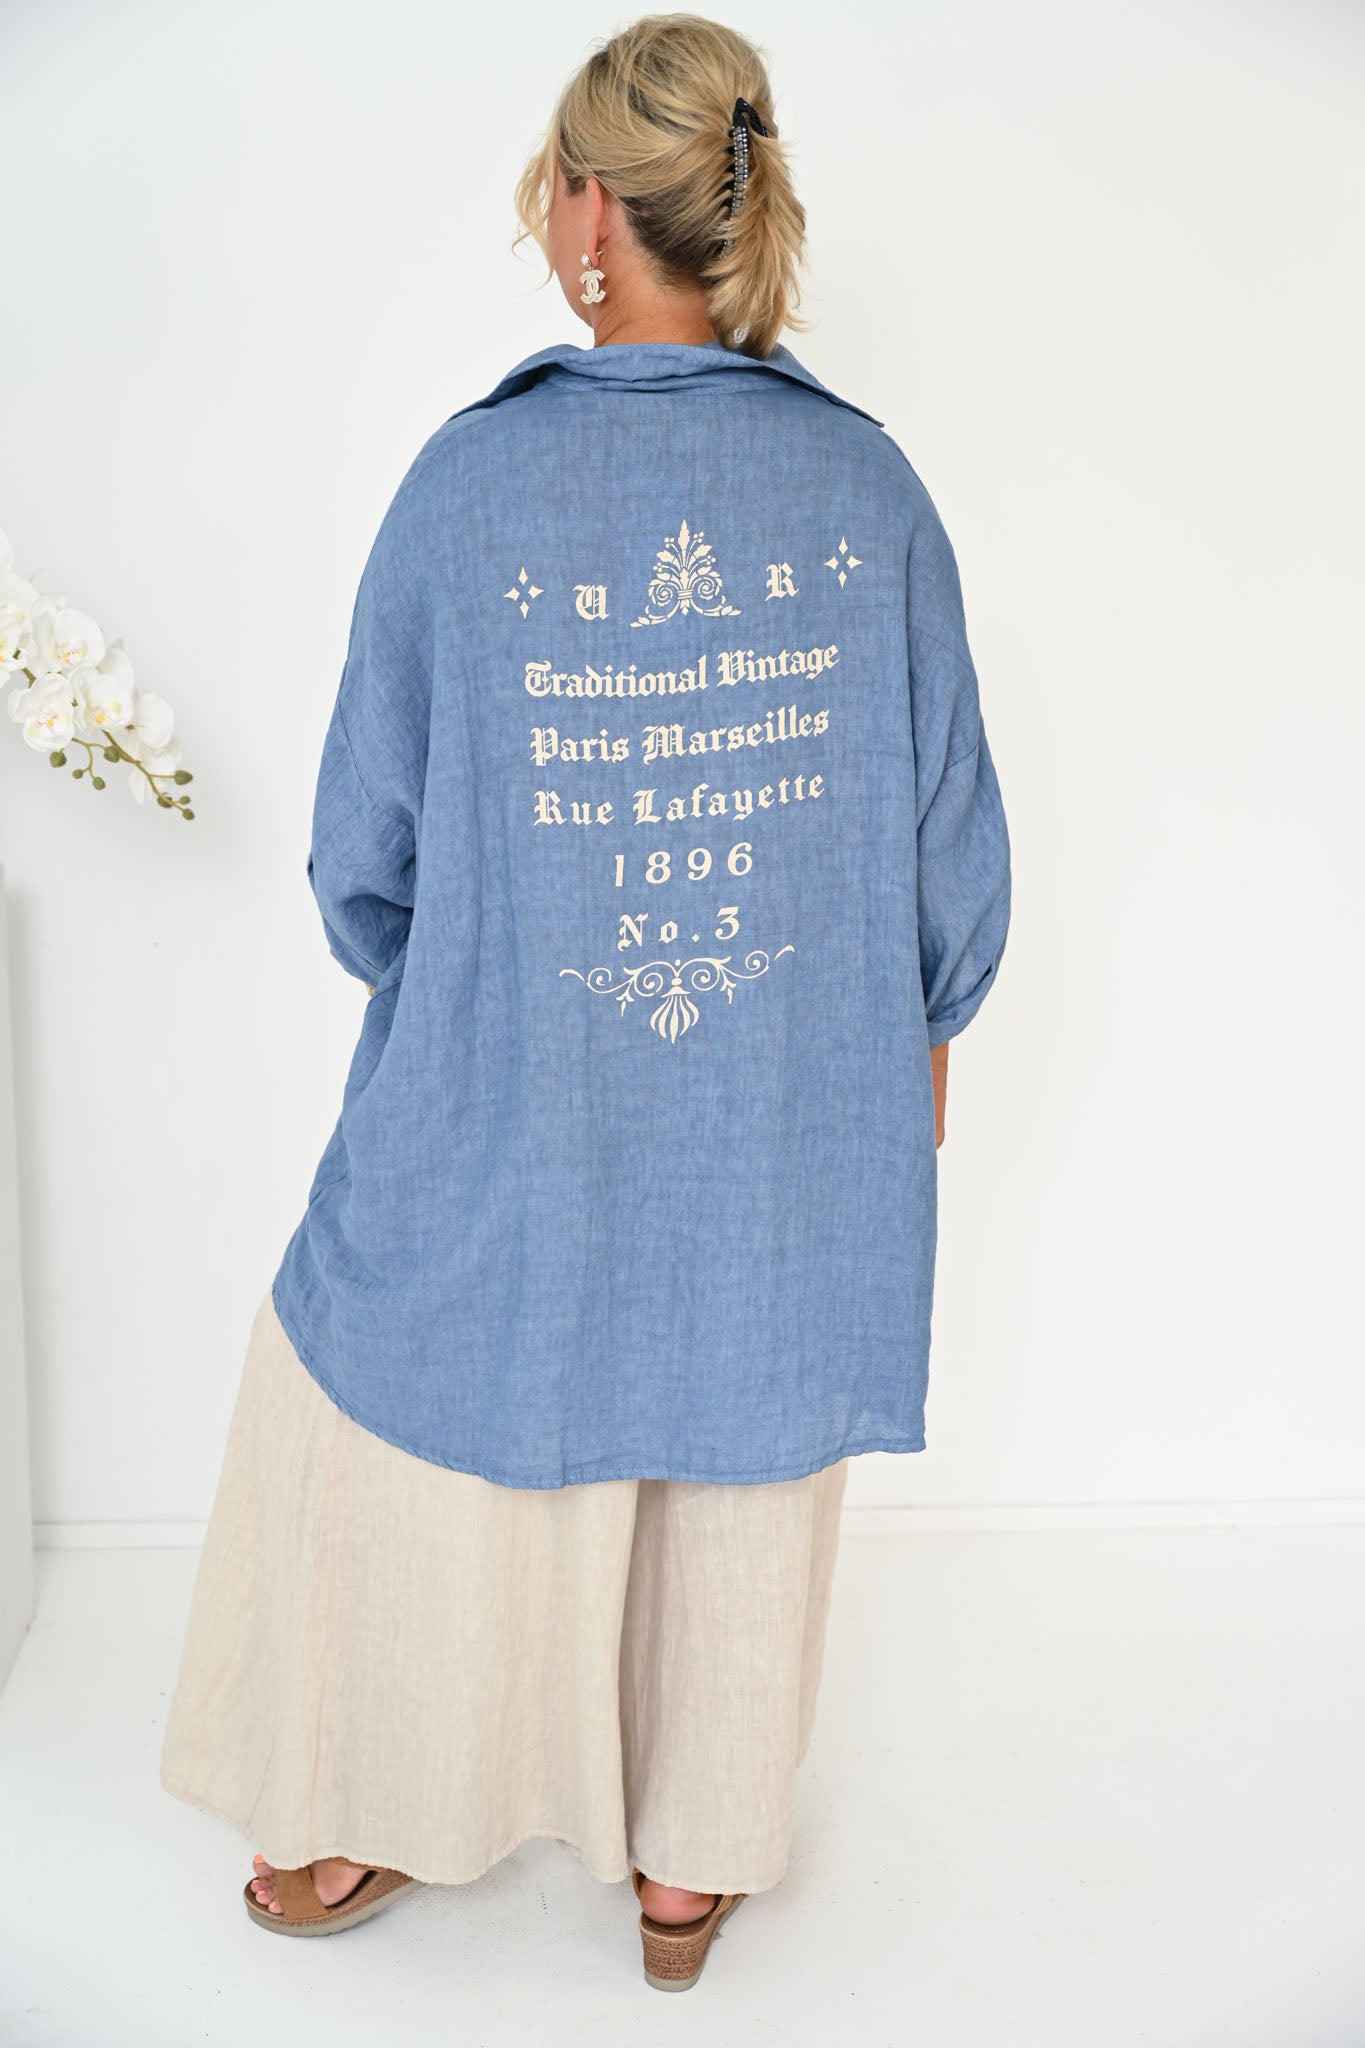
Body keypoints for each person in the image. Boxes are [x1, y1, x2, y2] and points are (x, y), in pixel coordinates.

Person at [159, 12, 1011, 1992]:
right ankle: (689, 1859)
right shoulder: (869, 492)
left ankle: (359, 1796)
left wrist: (470, 989)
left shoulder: (466, 492)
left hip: (522, 1086)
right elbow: (948, 842)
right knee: (743, 1380)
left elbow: (362, 854)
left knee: (438, 1354)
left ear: (582, 215)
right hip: (794, 1092)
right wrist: (911, 1034)